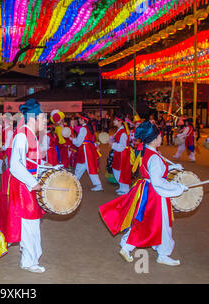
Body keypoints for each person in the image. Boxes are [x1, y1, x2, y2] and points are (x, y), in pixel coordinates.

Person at [99, 121, 188, 266]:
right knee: (160, 224)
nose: (162, 138)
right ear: (154, 139)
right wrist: (177, 188)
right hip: (156, 195)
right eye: (160, 136)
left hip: (148, 191)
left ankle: (129, 246)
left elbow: (158, 169)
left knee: (146, 221)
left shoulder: (147, 151)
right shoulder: (153, 157)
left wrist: (173, 167)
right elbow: (158, 182)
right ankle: (161, 254)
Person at [0, 99, 49, 274]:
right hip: (23, 187)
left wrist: (46, 167)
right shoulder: (23, 135)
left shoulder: (29, 134)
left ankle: (29, 255)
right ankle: (29, 261)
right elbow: (15, 165)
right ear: (34, 118)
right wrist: (33, 183)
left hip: (27, 184)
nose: (45, 122)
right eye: (43, 118)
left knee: (30, 224)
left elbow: (29, 163)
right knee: (30, 224)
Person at [72, 113, 103, 191]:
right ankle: (73, 182)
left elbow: (78, 142)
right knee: (82, 166)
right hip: (88, 148)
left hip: (85, 149)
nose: (78, 120)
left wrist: (72, 139)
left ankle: (73, 182)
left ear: (83, 120)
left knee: (88, 167)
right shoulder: (89, 127)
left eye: (80, 119)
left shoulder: (83, 129)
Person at [110, 113, 132, 195]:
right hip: (119, 153)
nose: (114, 121)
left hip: (122, 154)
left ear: (120, 122)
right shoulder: (120, 130)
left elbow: (122, 146)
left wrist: (112, 144)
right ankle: (122, 187)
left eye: (115, 120)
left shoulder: (123, 132)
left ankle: (125, 189)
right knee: (116, 169)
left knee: (122, 170)